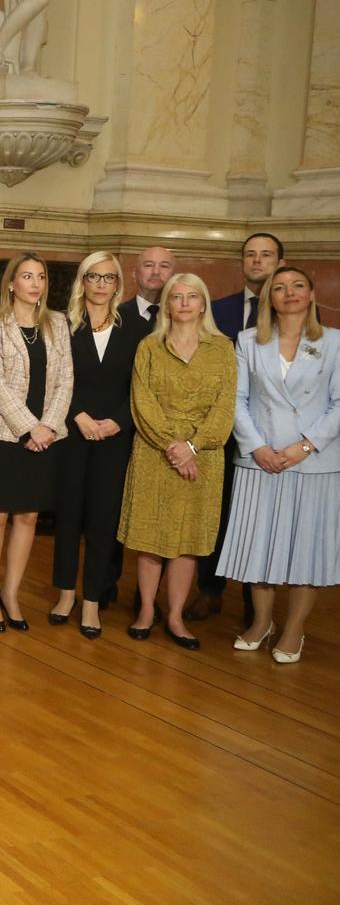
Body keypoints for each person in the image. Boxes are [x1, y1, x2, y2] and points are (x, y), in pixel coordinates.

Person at [218, 266, 338, 665]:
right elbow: (236, 400)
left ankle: (293, 629)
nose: (289, 293)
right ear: (269, 297)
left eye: (297, 286)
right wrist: (257, 447)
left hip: (314, 461)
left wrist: (306, 446)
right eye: (280, 288)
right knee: (260, 545)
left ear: (311, 294)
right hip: (262, 459)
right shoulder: (249, 341)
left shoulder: (335, 343)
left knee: (306, 550)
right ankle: (262, 622)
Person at [117, 273, 237, 649]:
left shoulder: (223, 349)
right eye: (176, 297)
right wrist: (174, 445)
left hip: (204, 458)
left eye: (192, 296)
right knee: (151, 537)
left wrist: (194, 446)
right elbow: (143, 402)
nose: (184, 303)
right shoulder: (149, 347)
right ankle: (147, 612)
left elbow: (225, 407)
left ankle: (175, 617)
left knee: (187, 541)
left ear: (204, 304)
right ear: (166, 305)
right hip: (156, 452)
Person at [0, 252, 71, 634]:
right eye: (26, 276)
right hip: (2, 433)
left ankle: (11, 593)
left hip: (47, 435)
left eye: (41, 277)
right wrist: (29, 427)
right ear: (11, 283)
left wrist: (47, 427)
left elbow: (66, 380)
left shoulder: (58, 324)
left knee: (28, 516)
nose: (34, 284)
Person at [193, 233, 287, 622]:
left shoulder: (292, 314)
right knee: (215, 513)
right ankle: (209, 590)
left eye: (266, 255)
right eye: (250, 255)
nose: (257, 261)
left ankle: (256, 602)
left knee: (259, 520)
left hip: (271, 437)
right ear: (242, 262)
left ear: (280, 262)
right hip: (218, 433)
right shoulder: (218, 311)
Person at [50, 251, 143, 638]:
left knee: (103, 521)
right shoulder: (61, 325)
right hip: (72, 432)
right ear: (82, 281)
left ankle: (92, 602)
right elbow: (54, 378)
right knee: (68, 517)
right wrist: (78, 415)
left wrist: (117, 423)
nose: (102, 284)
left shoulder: (136, 328)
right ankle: (66, 595)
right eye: (94, 277)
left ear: (118, 284)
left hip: (114, 437)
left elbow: (140, 386)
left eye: (109, 278)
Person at [119, 246, 174, 329]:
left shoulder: (180, 316)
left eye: (164, 266)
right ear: (134, 273)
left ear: (173, 275)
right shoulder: (116, 316)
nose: (156, 272)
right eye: (148, 265)